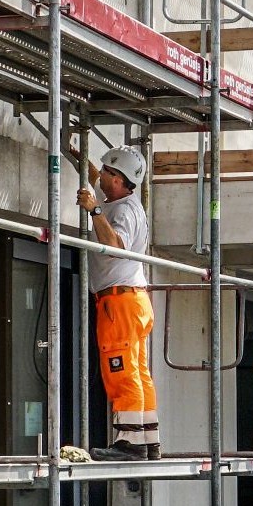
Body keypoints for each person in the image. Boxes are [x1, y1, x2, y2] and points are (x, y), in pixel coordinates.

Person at [77, 144, 160, 460]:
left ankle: (130, 442)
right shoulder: (125, 199)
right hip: (133, 300)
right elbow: (98, 180)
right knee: (138, 371)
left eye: (108, 174)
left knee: (121, 369)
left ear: (120, 180)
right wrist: (81, 159)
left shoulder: (122, 211)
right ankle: (148, 440)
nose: (102, 178)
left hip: (119, 302)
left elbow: (115, 246)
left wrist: (94, 210)